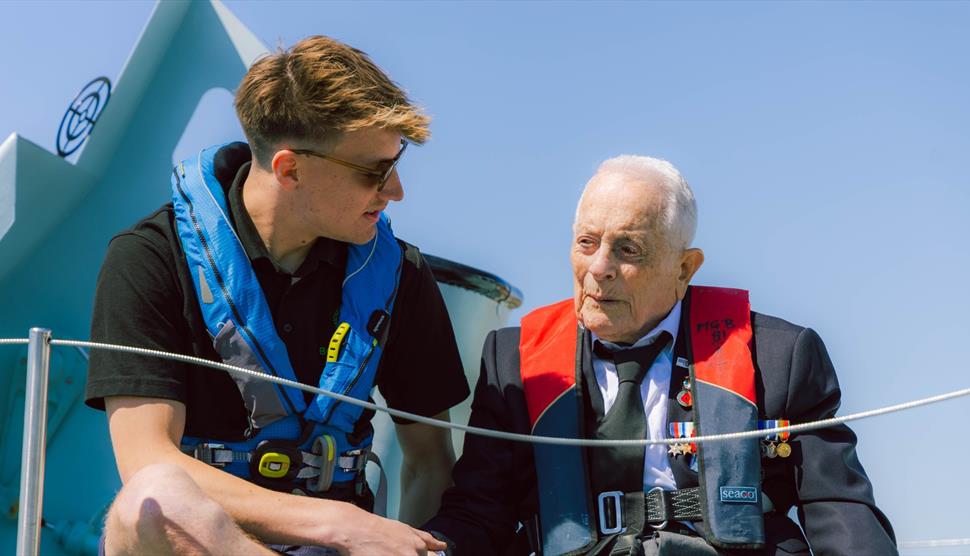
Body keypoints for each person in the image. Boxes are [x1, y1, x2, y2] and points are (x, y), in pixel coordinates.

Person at [84, 35, 469, 555]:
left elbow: (428, 463)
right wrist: (336, 523)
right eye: (374, 172)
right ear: (290, 169)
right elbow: (146, 462)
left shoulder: (401, 276)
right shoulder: (149, 259)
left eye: (395, 163)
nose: (396, 190)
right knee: (150, 500)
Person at [423, 156, 897, 555]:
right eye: (586, 242)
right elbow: (479, 510)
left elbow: (838, 507)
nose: (599, 268)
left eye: (628, 249)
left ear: (684, 268)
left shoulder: (779, 356)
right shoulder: (512, 360)